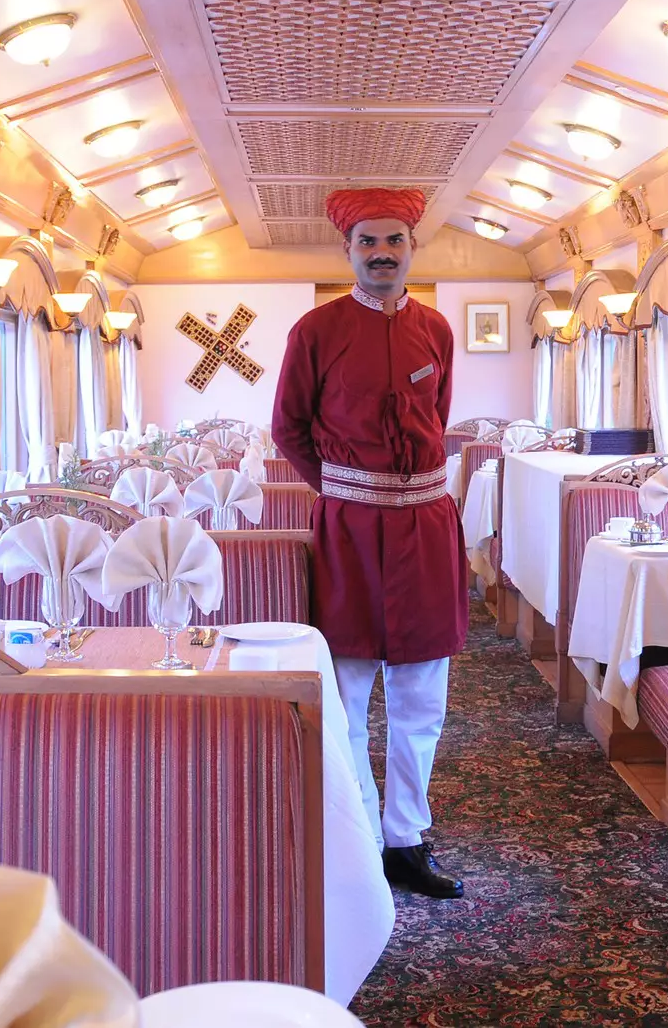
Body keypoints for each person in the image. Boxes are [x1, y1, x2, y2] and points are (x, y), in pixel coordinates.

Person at [271, 187, 468, 899]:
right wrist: (344, 489)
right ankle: (354, 834)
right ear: (348, 250)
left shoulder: (438, 330)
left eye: (394, 242)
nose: (382, 254)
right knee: (348, 692)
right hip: (349, 531)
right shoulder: (315, 330)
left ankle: (405, 841)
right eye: (368, 243)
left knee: (423, 696)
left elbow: (436, 416)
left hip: (426, 526)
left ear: (412, 247)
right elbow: (288, 428)